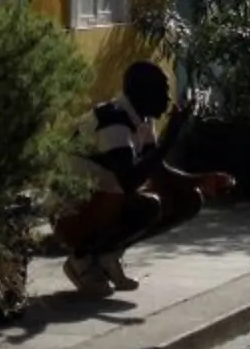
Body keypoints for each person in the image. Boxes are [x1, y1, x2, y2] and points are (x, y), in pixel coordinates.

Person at [54, 61, 235, 296]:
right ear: (141, 92)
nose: (169, 98)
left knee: (189, 199)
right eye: (162, 91)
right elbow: (129, 180)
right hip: (71, 213)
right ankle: (82, 259)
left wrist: (202, 180)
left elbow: (157, 170)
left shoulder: (142, 119)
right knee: (147, 206)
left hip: (103, 200)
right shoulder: (113, 121)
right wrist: (170, 138)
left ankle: (108, 254)